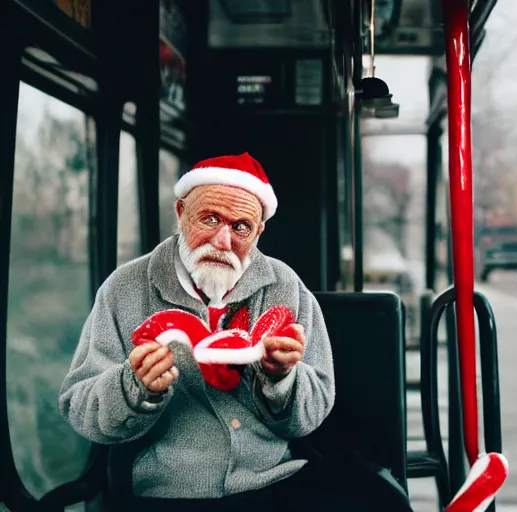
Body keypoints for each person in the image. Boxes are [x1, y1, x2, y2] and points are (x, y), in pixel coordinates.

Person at [59, 153, 410, 511]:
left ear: (258, 231)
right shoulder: (125, 288)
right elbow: (79, 405)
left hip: (275, 480)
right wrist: (135, 386)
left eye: (241, 227)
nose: (223, 240)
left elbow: (311, 414)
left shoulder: (285, 286)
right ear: (181, 213)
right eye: (210, 219)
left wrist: (281, 379)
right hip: (167, 494)